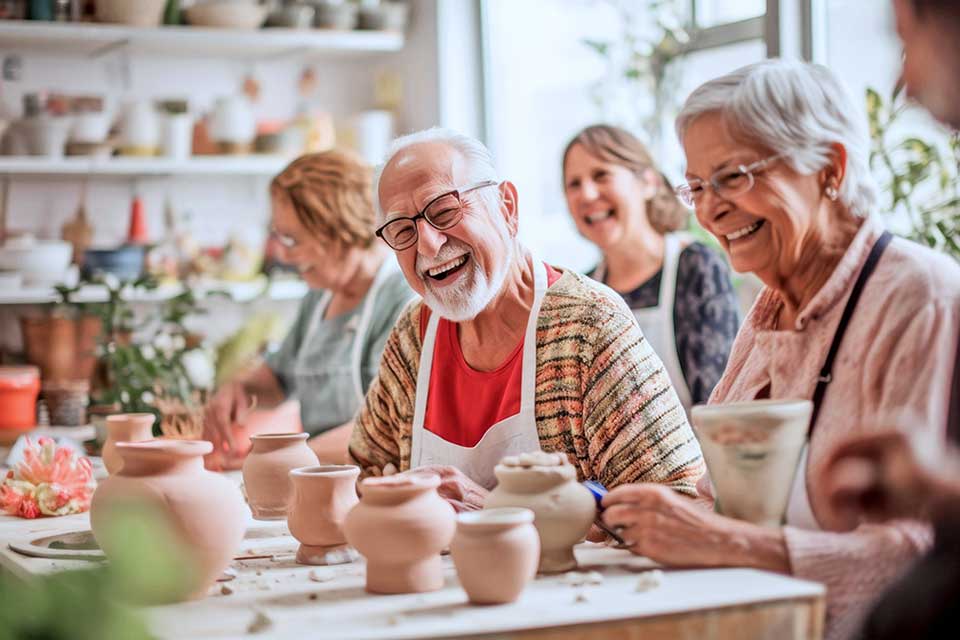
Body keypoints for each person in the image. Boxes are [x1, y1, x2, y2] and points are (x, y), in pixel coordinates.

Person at [599, 59, 960, 640]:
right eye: (696, 187)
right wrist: (623, 513)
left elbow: (916, 559)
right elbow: (715, 501)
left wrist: (721, 541)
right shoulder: (768, 313)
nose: (711, 209)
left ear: (830, 168)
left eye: (734, 176)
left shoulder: (920, 298)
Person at [347, 127, 704, 511]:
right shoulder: (413, 335)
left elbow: (676, 504)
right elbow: (363, 473)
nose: (428, 245)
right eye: (402, 230)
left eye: (445, 211)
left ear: (507, 207)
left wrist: (493, 509)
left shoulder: (589, 327)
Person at [815, 1, 960, 637]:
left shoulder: (919, 286)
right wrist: (937, 484)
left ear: (829, 172)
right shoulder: (764, 316)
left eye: (910, 43)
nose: (903, 82)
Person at [204, 151, 414, 463]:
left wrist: (288, 458)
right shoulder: (320, 298)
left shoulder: (402, 299)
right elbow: (278, 380)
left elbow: (388, 426)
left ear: (337, 228)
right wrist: (239, 389)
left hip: (377, 482)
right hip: (318, 475)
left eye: (292, 240)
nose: (283, 256)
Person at [562, 124, 739, 409]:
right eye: (574, 184)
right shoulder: (581, 292)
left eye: (601, 175)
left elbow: (718, 404)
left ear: (649, 183)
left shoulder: (696, 267)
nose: (587, 194)